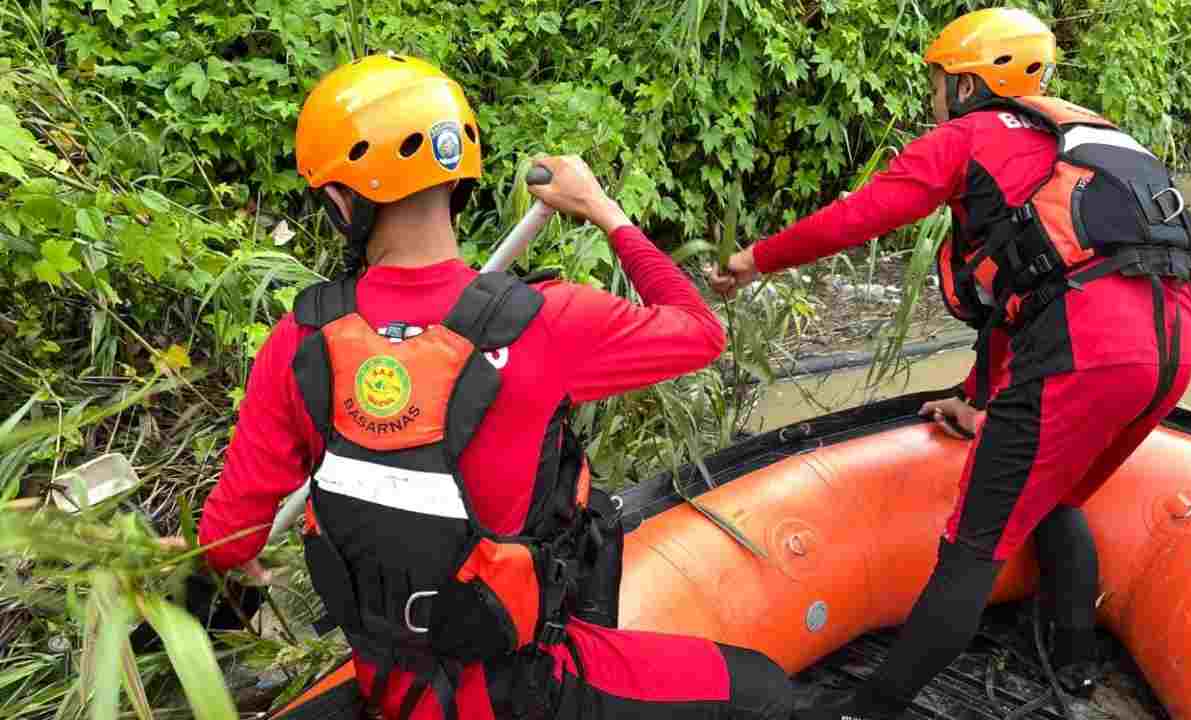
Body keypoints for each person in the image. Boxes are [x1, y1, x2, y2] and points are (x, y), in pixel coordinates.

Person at [195, 53, 793, 720]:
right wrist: (603, 210)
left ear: (340, 202)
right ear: (459, 181)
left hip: (388, 686)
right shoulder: (548, 321)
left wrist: (209, 563)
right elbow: (700, 330)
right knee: (765, 692)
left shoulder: (299, 341)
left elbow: (227, 543)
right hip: (526, 694)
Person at [710, 8, 1191, 719]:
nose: (934, 96)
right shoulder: (1079, 141)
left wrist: (756, 260)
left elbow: (862, 216)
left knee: (972, 544)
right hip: (1170, 346)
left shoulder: (969, 139)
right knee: (1056, 496)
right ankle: (1077, 672)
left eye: (940, 80)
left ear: (971, 85)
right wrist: (979, 397)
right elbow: (1034, 289)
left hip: (1084, 352)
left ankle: (867, 710)